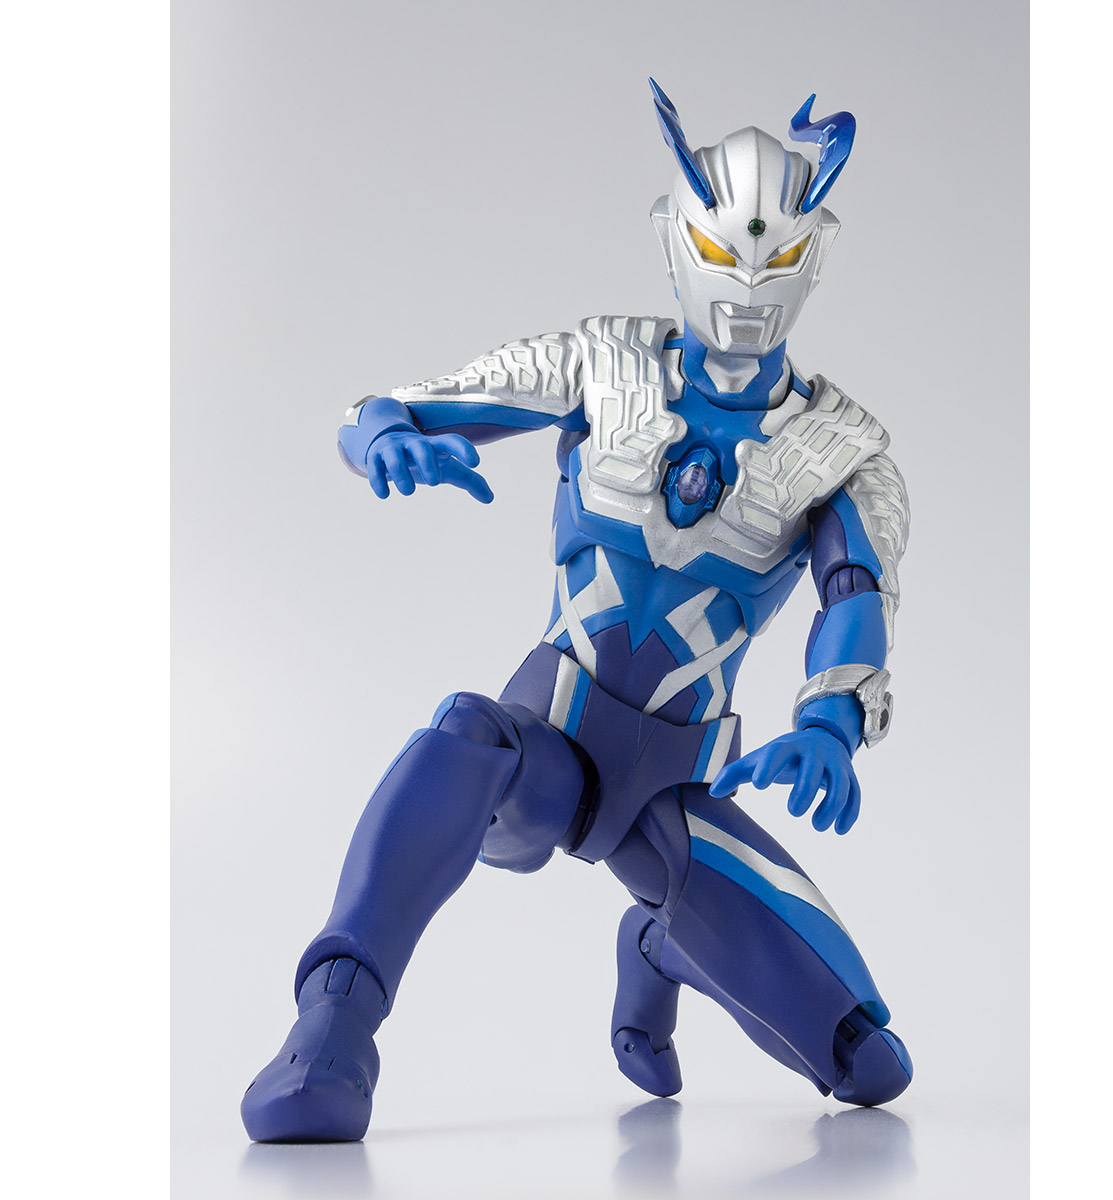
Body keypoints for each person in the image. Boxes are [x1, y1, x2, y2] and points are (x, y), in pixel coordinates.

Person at [242, 80, 913, 1143]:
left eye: (775, 259)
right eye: (724, 252)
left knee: (868, 1064)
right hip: (545, 750)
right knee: (465, 735)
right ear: (674, 239)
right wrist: (386, 440)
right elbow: (387, 405)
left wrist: (831, 721)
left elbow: (856, 595)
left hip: (678, 795)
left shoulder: (843, 453)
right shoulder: (601, 366)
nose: (746, 284)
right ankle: (332, 1027)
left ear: (812, 258)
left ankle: (661, 945)